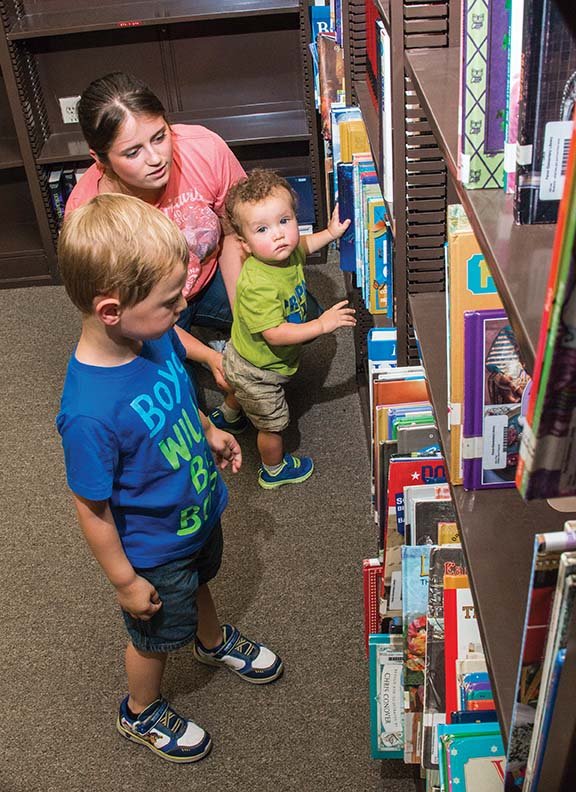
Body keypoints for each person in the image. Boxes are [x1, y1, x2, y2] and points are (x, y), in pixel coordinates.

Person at [56, 193, 283, 763]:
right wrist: (124, 582)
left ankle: (211, 642)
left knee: (203, 581)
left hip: (196, 511)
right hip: (153, 549)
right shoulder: (88, 413)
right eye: (168, 302)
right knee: (153, 635)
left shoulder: (149, 335)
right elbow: (91, 507)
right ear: (111, 310)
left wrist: (207, 429)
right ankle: (140, 710)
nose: (182, 306)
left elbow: (177, 398)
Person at [65, 71, 247, 432]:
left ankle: (211, 334)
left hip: (207, 279)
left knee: (290, 316)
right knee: (171, 413)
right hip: (147, 311)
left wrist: (249, 315)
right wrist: (211, 357)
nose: (156, 158)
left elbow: (233, 233)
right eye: (133, 152)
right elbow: (132, 317)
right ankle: (204, 345)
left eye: (160, 136)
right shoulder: (90, 217)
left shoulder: (205, 148)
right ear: (100, 159)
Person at [222, 169, 356, 489]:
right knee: (272, 424)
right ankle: (274, 469)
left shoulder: (285, 251)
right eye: (262, 229)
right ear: (245, 244)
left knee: (239, 393)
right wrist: (320, 325)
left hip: (246, 360)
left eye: (284, 221)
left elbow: (306, 245)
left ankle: (228, 416)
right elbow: (275, 334)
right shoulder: (258, 284)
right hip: (257, 369)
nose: (279, 234)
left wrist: (331, 232)